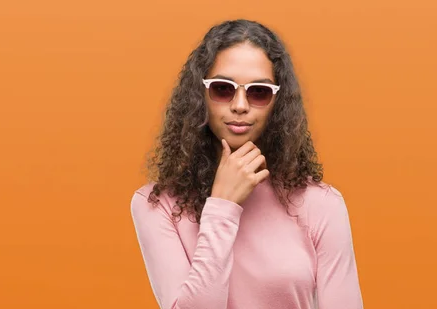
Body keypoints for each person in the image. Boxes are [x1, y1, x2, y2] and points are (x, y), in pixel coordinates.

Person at [130, 19, 363, 309]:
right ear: (199, 96)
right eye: (223, 89)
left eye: (259, 92)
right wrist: (222, 206)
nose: (240, 105)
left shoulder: (320, 204)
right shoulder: (157, 204)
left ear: (278, 102)